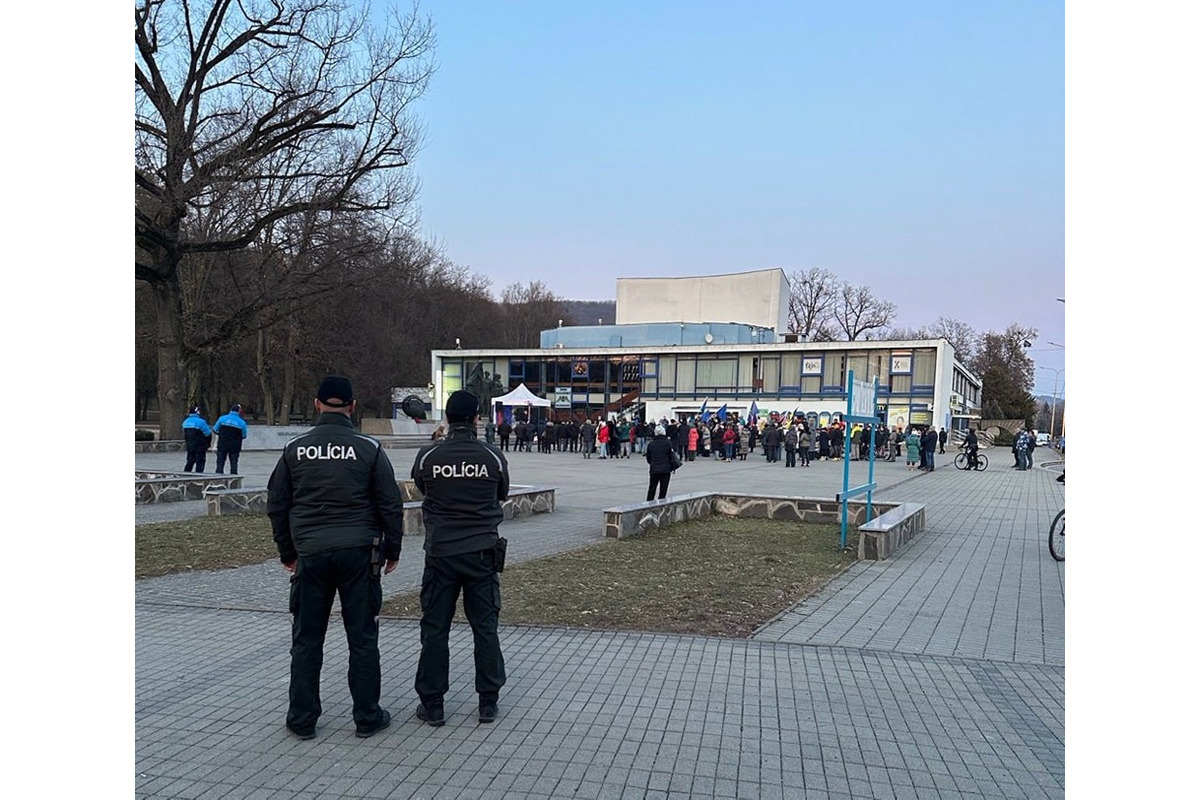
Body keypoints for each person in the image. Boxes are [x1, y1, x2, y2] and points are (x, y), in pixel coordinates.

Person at [267, 375, 403, 741]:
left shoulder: (295, 448)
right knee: (362, 638)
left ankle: (302, 719)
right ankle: (367, 717)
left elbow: (277, 504)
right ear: (352, 406)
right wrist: (392, 550)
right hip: (359, 554)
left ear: (316, 404)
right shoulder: (369, 448)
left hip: (311, 553)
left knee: (307, 639)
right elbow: (390, 504)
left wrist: (287, 552)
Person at [411, 390, 511, 726]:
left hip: (441, 553)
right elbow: (501, 492)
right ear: (476, 419)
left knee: (435, 629)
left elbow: (422, 487)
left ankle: (433, 704)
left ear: (447, 419)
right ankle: (488, 701)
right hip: (481, 553)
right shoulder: (492, 456)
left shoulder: (429, 456)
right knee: (485, 627)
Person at [213, 403, 249, 475]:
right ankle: (233, 477)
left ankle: (218, 477)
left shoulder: (222, 419)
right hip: (235, 446)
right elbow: (244, 435)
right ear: (239, 411)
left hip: (222, 444)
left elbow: (215, 430)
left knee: (220, 463)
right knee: (234, 463)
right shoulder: (242, 422)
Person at [645, 425, 677, 501]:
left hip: (654, 468)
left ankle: (649, 503)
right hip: (665, 469)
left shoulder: (651, 444)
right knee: (663, 489)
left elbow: (648, 458)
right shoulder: (668, 443)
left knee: (652, 488)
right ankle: (661, 503)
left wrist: (652, 463)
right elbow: (671, 455)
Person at [182, 406, 213, 473]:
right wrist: (208, 444)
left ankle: (186, 474)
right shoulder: (201, 422)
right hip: (200, 445)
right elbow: (208, 433)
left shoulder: (185, 422)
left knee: (190, 461)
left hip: (190, 445)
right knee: (200, 462)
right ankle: (198, 475)